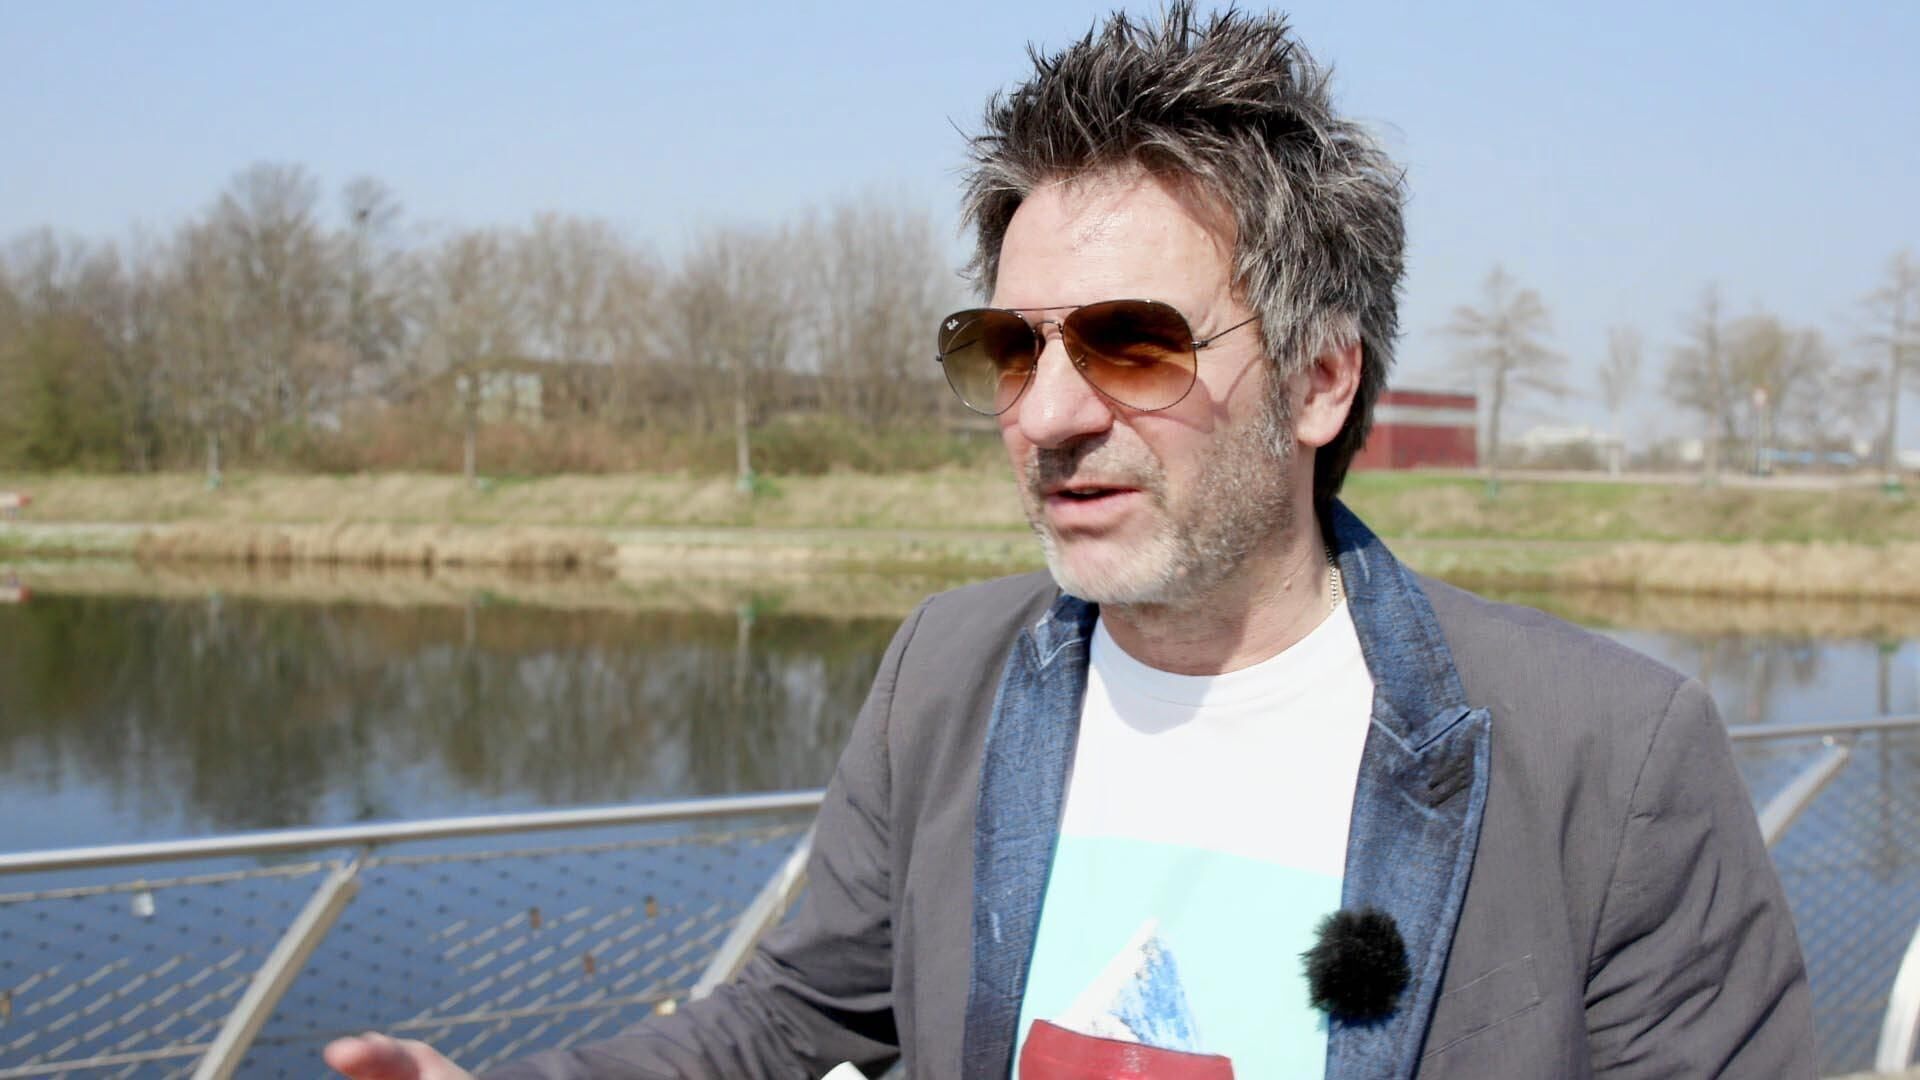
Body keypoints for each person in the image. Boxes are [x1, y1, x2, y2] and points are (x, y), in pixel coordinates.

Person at [327, 6, 1811, 1078]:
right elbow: (796, 1017)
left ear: (1319, 380)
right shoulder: (948, 672)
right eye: (1009, 347)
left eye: (1132, 344)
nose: (1046, 414)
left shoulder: (1608, 761)